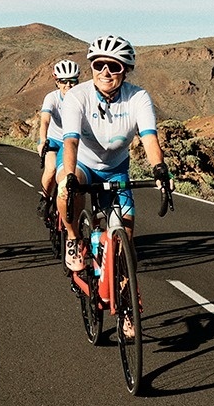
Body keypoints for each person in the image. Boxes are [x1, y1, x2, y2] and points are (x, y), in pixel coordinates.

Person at [57, 36, 171, 334]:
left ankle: (126, 305)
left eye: (114, 66)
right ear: (91, 67)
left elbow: (148, 137)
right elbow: (70, 140)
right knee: (65, 189)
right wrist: (69, 175)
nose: (105, 72)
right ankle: (72, 237)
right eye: (99, 65)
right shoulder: (77, 96)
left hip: (116, 170)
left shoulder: (138, 98)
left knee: (124, 241)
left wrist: (159, 168)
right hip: (81, 163)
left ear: (126, 69)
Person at [35, 59, 80, 222]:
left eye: (72, 81)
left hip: (74, 141)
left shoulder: (81, 97)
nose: (68, 85)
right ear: (57, 82)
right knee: (52, 169)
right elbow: (45, 120)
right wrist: (42, 141)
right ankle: (45, 198)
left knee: (76, 175)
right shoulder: (52, 98)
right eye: (63, 81)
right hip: (54, 140)